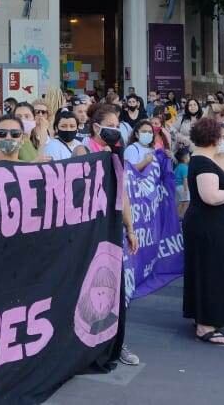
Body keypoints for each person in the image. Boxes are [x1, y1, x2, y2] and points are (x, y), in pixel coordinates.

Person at [76, 104, 141, 366]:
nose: (115, 129)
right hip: (90, 228)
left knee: (113, 285)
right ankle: (85, 347)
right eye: (110, 124)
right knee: (88, 287)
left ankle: (116, 342)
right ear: (96, 127)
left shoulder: (117, 153)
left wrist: (130, 227)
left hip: (111, 225)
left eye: (117, 125)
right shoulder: (83, 150)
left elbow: (121, 192)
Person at [183, 117, 224, 346]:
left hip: (213, 225)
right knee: (211, 272)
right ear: (210, 138)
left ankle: (208, 316)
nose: (223, 141)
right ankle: (206, 324)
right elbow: (210, 197)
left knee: (213, 271)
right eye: (220, 137)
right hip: (208, 226)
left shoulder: (204, 158)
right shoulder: (203, 162)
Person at [174, 148, 191, 217]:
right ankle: (180, 216)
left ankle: (177, 216)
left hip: (177, 186)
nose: (189, 158)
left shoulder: (178, 167)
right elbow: (185, 179)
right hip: (182, 187)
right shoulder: (185, 167)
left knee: (182, 202)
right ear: (185, 157)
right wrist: (186, 190)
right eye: (188, 156)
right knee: (187, 202)